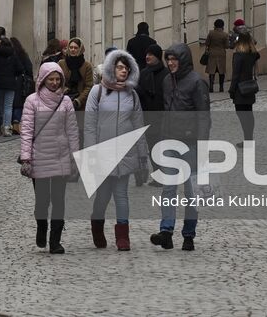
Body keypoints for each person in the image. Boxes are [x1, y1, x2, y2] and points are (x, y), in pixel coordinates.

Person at [82, 49, 146, 252]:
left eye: (126, 68)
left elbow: (138, 126)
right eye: (119, 67)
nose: (123, 71)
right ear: (111, 68)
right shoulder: (97, 92)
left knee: (121, 195)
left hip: (125, 153)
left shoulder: (132, 95)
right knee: (102, 196)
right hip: (102, 151)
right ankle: (97, 226)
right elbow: (90, 125)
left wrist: (142, 155)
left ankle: (122, 236)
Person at [151, 42, 210, 251]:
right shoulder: (167, 81)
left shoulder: (197, 82)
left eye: (174, 59)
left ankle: (188, 234)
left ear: (183, 60)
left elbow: (204, 117)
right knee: (168, 188)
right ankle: (166, 231)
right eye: (168, 59)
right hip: (169, 140)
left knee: (191, 191)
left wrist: (203, 147)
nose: (170, 63)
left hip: (191, 144)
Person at [19, 61, 78, 254]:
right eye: (50, 79)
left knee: (59, 200)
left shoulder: (66, 102)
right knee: (42, 201)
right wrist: (26, 157)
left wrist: (74, 156)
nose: (54, 82)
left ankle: (55, 240)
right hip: (39, 157)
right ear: (43, 80)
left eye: (57, 79)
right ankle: (41, 226)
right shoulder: (32, 101)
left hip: (60, 156)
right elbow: (26, 131)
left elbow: (72, 131)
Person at [229, 32, 259, 142]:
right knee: (249, 113)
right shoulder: (252, 53)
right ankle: (249, 138)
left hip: (240, 88)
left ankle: (248, 139)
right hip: (250, 86)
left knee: (241, 113)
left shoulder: (238, 55)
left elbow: (235, 74)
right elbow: (257, 55)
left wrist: (232, 89)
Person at [59, 38, 94, 110]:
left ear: (80, 49)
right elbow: (58, 81)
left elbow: (89, 86)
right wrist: (65, 90)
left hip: (81, 103)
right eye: (71, 47)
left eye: (75, 48)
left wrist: (78, 101)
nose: (73, 50)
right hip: (64, 101)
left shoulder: (87, 66)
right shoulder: (61, 63)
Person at [8, 36, 33, 134]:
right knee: (19, 102)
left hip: (10, 81)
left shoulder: (8, 55)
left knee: (10, 103)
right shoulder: (22, 54)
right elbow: (29, 68)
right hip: (21, 81)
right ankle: (16, 121)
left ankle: (11, 122)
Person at [203, 19, 228, 93]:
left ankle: (211, 86)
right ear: (222, 26)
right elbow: (226, 46)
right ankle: (221, 87)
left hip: (212, 53)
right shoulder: (225, 34)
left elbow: (207, 43)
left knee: (212, 71)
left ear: (215, 25)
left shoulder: (211, 33)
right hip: (221, 54)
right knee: (221, 71)